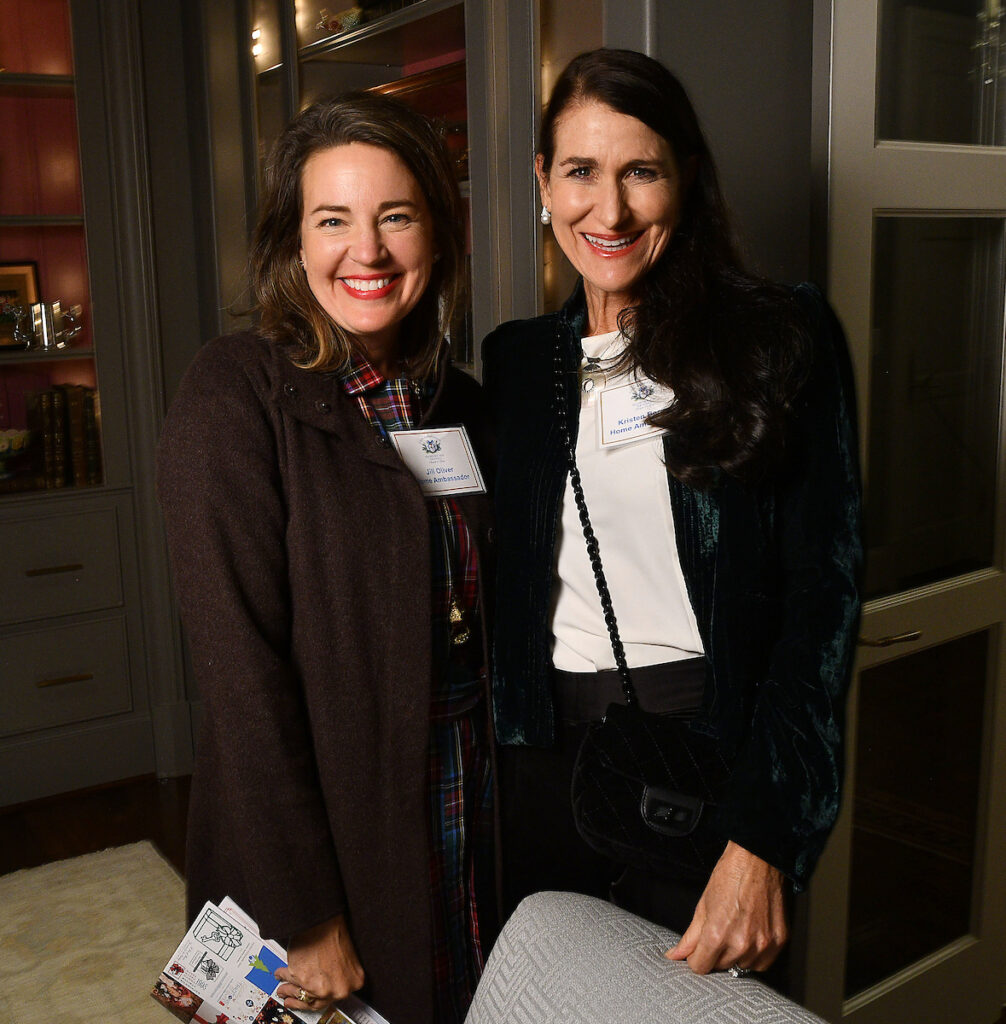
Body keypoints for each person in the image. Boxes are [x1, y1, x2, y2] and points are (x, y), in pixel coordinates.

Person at [483, 48, 861, 982]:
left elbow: (824, 601)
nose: (607, 212)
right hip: (541, 768)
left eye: (640, 172)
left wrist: (765, 839)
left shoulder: (779, 338)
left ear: (684, 179)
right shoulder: (519, 363)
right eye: (580, 171)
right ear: (543, 180)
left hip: (703, 761)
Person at [157, 92, 496, 1024]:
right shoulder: (236, 393)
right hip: (323, 833)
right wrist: (304, 914)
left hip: (460, 799)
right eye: (334, 220)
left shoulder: (461, 403)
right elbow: (241, 677)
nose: (369, 251)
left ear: (436, 230)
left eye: (396, 216)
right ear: (292, 243)